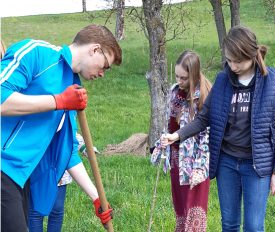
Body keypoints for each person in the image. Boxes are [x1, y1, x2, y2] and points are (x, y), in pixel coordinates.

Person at [162, 26, 275, 232]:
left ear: (251, 55)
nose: (232, 66)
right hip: (227, 163)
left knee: (254, 226)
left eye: (237, 61)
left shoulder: (271, 81)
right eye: (229, 60)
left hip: (257, 167)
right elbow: (204, 118)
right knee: (229, 225)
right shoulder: (223, 81)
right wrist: (176, 135)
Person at [1, 24, 122, 232]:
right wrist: (58, 101)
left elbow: (69, 152)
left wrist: (96, 198)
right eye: (105, 65)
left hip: (21, 177)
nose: (102, 73)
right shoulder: (37, 53)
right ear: (94, 49)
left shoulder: (71, 85)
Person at [151, 50, 212, 231]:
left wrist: (201, 167)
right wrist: (162, 141)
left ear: (193, 74)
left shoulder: (203, 96)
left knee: (194, 212)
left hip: (194, 164)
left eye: (184, 78)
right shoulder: (174, 91)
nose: (179, 81)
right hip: (177, 160)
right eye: (177, 76)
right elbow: (169, 122)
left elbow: (207, 135)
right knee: (181, 210)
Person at [28, 133, 100, 232]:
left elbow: (70, 132)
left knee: (57, 210)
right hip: (38, 169)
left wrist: (84, 147)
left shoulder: (65, 117)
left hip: (61, 172)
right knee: (36, 211)